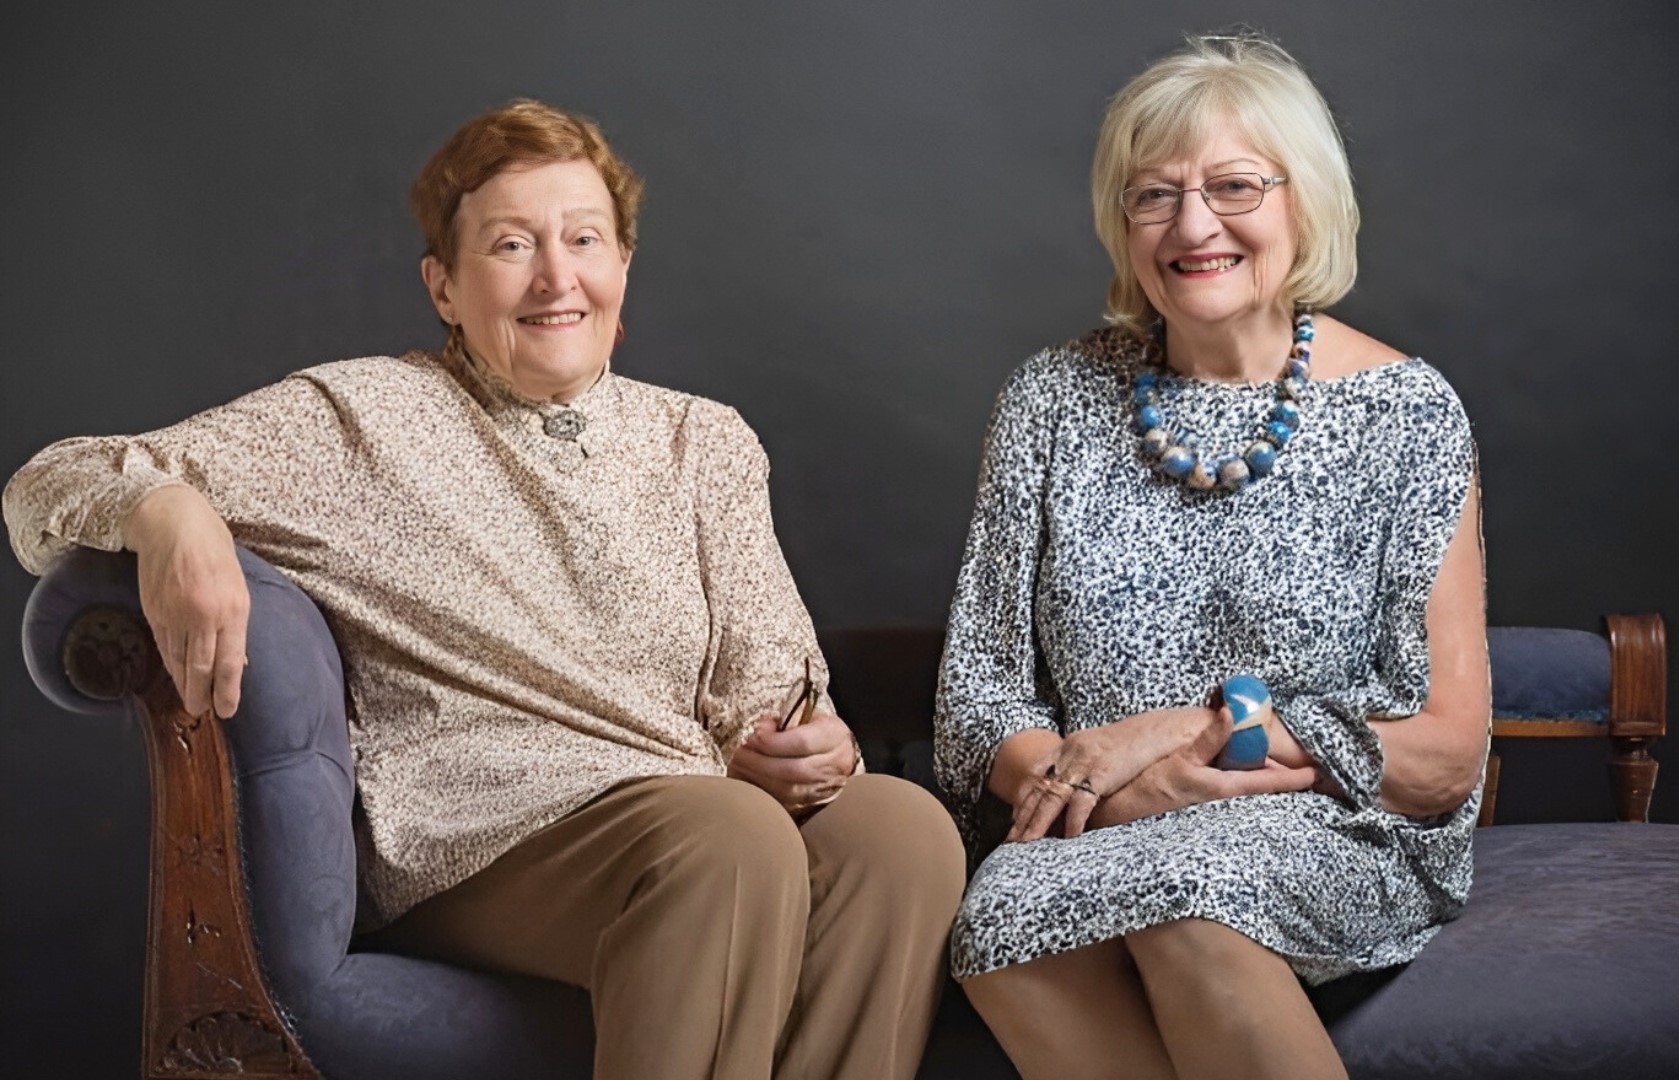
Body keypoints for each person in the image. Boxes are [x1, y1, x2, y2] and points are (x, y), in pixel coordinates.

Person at [5, 99, 965, 1080]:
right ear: (444, 286)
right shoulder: (360, 420)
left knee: (898, 831)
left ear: (622, 265)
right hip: (480, 842)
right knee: (726, 838)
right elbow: (50, 481)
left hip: (695, 815)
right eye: (512, 245)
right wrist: (169, 512)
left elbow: (766, 696)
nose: (556, 277)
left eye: (583, 239)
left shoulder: (702, 440)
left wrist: (810, 747)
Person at [934, 33, 1488, 1080]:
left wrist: (1184, 736)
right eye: (1155, 196)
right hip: (1099, 822)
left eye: (1233, 187)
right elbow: (978, 700)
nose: (1193, 226)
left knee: (1191, 897)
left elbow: (1443, 753)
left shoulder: (1408, 414)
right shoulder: (1048, 401)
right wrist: (1123, 797)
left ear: (1303, 203)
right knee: (1000, 924)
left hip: (1329, 825)